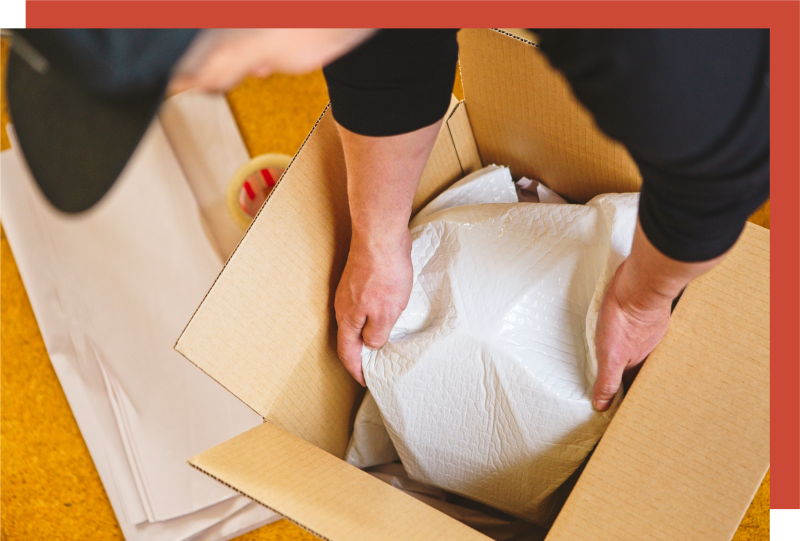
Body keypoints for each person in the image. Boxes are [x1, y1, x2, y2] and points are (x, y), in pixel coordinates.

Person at [6, 28, 769, 413]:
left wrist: (640, 297)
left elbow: (722, 171)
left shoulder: (658, 47)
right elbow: (384, 36)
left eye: (193, 67)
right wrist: (378, 236)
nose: (200, 86)